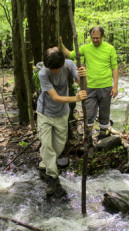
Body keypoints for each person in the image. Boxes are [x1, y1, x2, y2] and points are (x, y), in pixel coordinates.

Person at [37, 47, 87, 197]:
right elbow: (55, 97)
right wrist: (76, 99)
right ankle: (53, 177)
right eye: (52, 69)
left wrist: (84, 76)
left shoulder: (69, 65)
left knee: (58, 146)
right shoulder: (43, 73)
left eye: (57, 68)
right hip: (45, 113)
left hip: (62, 114)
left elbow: (82, 84)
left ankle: (44, 164)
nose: (55, 71)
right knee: (46, 144)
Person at [60, 26, 119, 142]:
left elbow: (114, 68)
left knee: (104, 113)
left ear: (102, 36)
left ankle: (103, 138)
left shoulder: (110, 48)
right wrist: (60, 43)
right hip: (90, 87)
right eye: (93, 38)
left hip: (106, 86)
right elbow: (70, 55)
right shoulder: (86, 48)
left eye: (97, 38)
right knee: (89, 113)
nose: (95, 40)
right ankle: (88, 140)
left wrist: (115, 86)